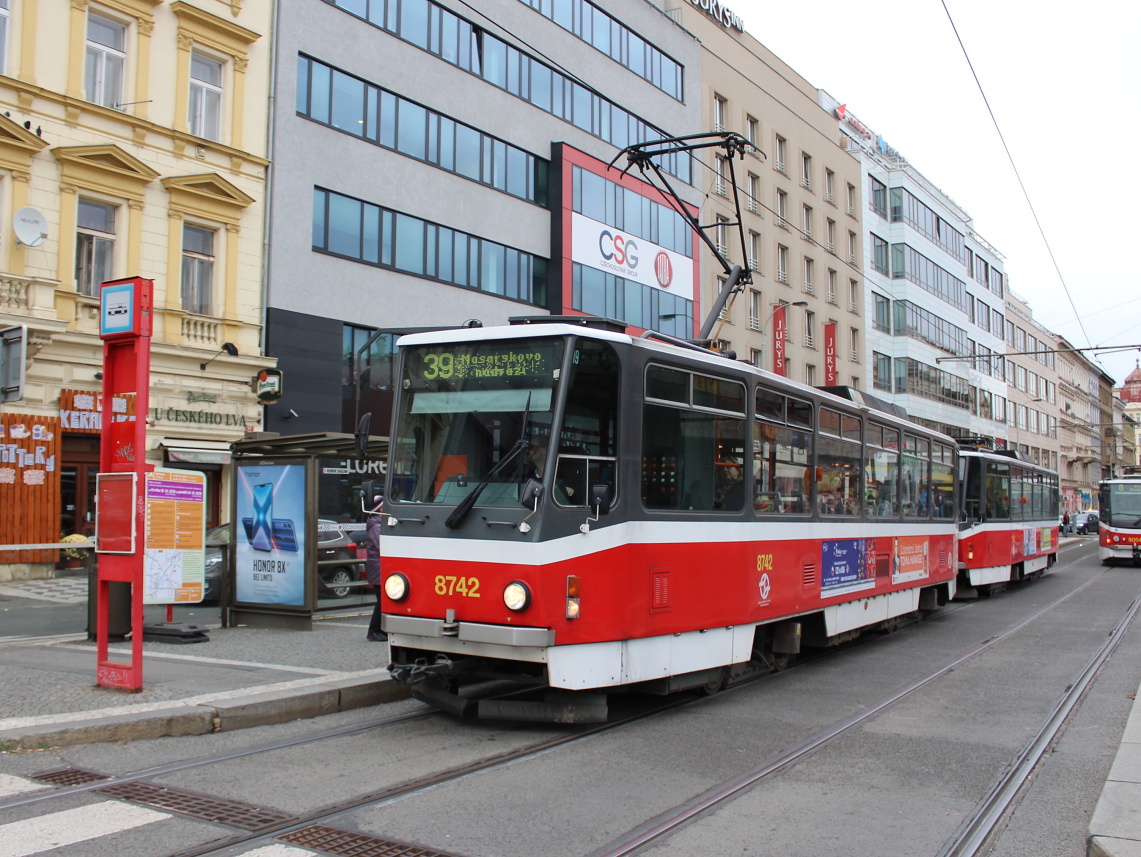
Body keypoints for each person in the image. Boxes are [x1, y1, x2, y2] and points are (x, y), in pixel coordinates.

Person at [365, 494, 387, 642]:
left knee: (382, 600)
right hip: (377, 567)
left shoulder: (377, 524)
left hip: (378, 567)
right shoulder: (376, 526)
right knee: (381, 601)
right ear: (379, 509)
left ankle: (378, 630)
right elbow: (383, 546)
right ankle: (373, 631)